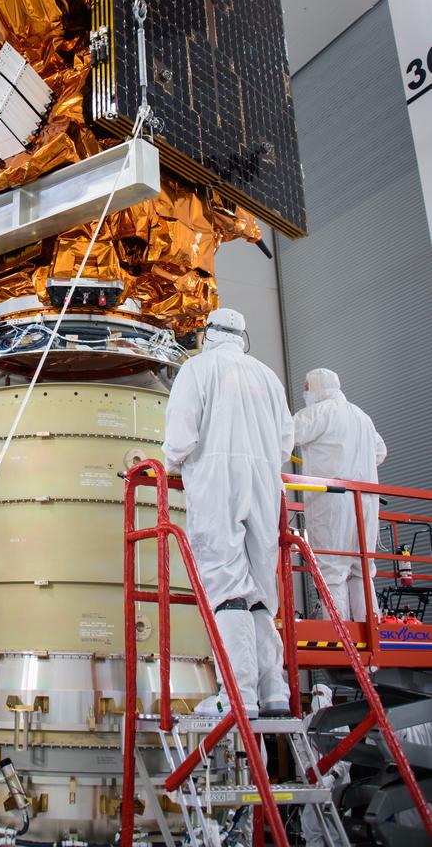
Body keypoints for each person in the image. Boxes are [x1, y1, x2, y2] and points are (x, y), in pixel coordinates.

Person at [163, 307, 295, 719]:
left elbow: (181, 436)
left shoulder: (198, 369)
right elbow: (285, 440)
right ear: (241, 336)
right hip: (264, 481)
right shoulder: (267, 376)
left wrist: (169, 463)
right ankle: (275, 691)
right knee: (260, 588)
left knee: (226, 583)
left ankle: (237, 694)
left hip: (217, 479)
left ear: (208, 333)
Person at [294, 368, 387, 621]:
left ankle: (341, 643)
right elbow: (380, 451)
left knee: (331, 569)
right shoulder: (362, 417)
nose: (305, 393)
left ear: (316, 387)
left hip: (332, 501)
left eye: (307, 387)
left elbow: (283, 436)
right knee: (362, 569)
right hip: (365, 501)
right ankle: (370, 643)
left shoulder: (317, 413)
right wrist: (357, 466)